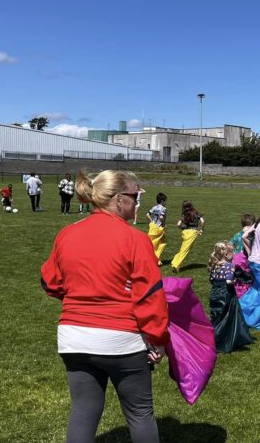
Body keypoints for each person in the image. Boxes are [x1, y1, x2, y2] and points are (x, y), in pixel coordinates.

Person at [41, 169, 169, 443]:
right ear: (120, 199)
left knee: (83, 413)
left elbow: (49, 282)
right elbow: (150, 297)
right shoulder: (135, 239)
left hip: (74, 336)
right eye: (135, 196)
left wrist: (83, 293)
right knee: (140, 413)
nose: (137, 203)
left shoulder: (67, 233)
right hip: (122, 339)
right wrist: (158, 340)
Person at [208, 241, 255, 353]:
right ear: (226, 254)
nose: (234, 254)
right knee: (227, 317)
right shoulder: (230, 266)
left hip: (215, 293)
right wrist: (234, 280)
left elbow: (212, 280)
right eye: (232, 252)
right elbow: (229, 281)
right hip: (227, 294)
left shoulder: (215, 265)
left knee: (217, 317)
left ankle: (215, 337)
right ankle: (222, 340)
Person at [169, 201, 204, 273]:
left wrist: (182, 228)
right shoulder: (196, 212)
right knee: (185, 251)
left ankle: (175, 262)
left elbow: (178, 224)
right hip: (192, 233)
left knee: (183, 249)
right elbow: (202, 221)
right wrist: (201, 229)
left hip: (185, 232)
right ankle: (176, 265)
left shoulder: (184, 214)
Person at [146, 193, 168, 265]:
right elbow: (161, 217)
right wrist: (164, 225)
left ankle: (156, 260)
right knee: (162, 243)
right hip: (159, 228)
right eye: (165, 201)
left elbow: (147, 214)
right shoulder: (163, 208)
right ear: (162, 201)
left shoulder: (154, 207)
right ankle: (155, 259)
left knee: (153, 244)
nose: (165, 203)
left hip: (152, 227)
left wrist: (151, 221)